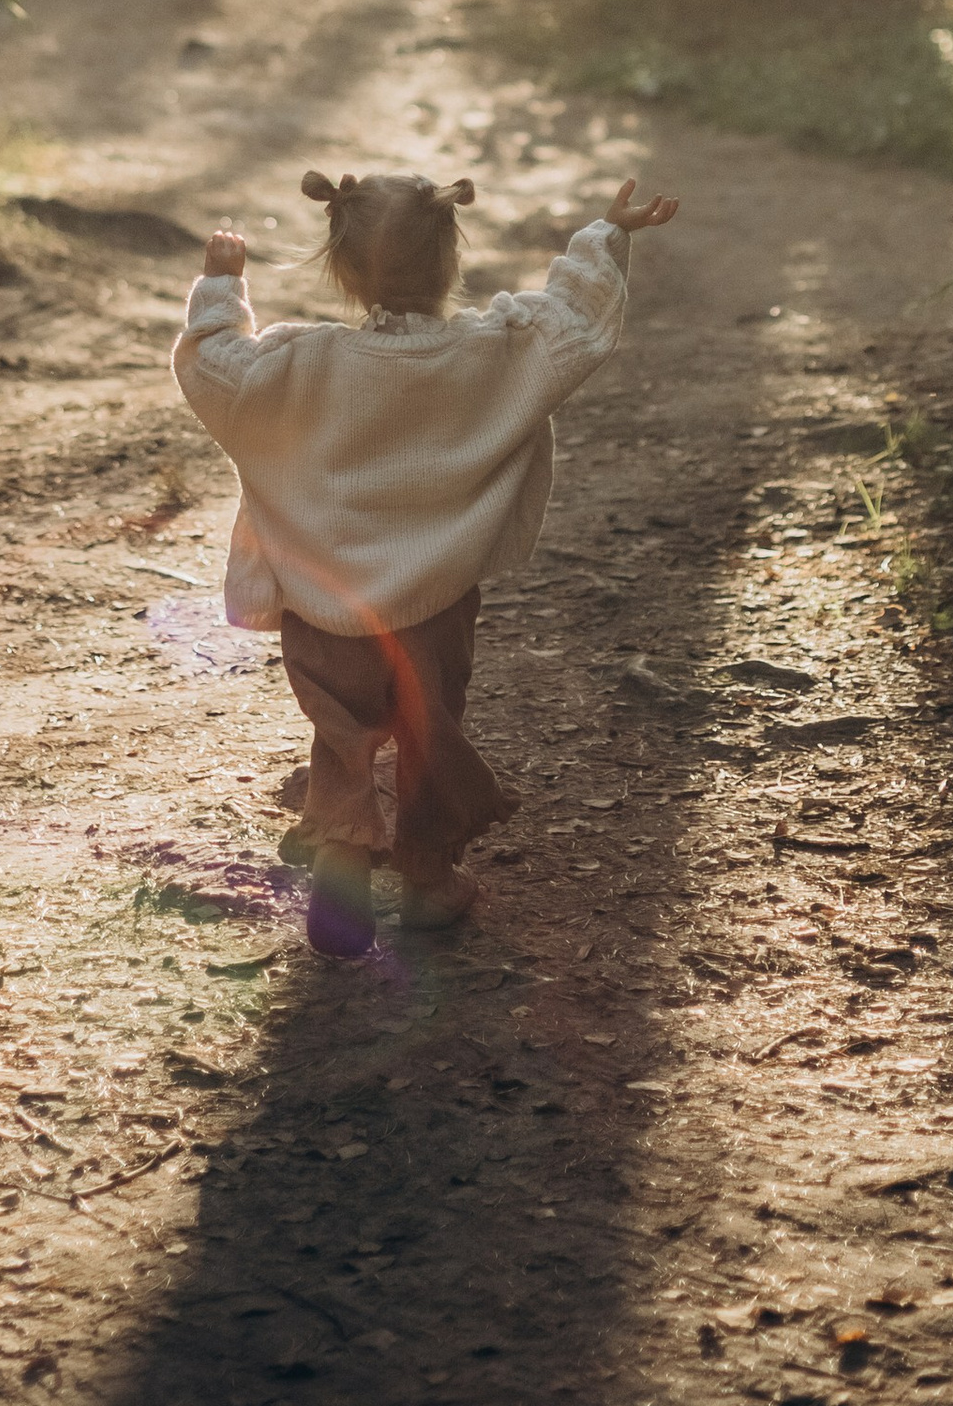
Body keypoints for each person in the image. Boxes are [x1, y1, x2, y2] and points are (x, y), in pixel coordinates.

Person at [171, 166, 680, 960]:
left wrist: (220, 286)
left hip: (324, 608)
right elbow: (575, 323)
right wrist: (605, 234)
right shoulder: (489, 353)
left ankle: (343, 861)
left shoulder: (302, 364)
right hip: (435, 606)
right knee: (428, 729)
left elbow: (214, 365)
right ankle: (429, 879)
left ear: (340, 268)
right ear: (450, 256)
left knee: (341, 735)